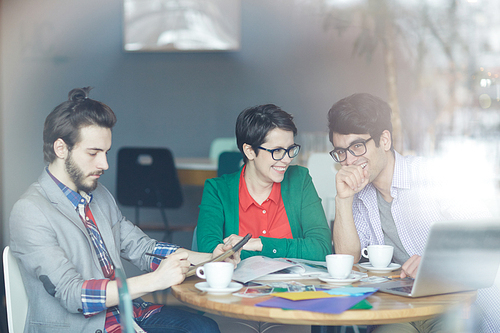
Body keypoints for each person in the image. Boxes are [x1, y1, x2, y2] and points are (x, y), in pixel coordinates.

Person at [9, 87, 240, 333]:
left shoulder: (98, 195)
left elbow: (142, 248)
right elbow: (72, 294)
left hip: (125, 312)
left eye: (106, 152)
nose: (104, 164)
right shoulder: (30, 211)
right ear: (60, 148)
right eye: (93, 153)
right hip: (82, 326)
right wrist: (155, 281)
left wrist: (212, 259)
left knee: (204, 328)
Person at [328, 93, 500, 332]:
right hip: (399, 312)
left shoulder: (431, 175)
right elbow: (347, 261)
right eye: (341, 152)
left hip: (454, 306)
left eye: (357, 146)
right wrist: (343, 198)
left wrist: (436, 265)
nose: (348, 160)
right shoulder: (359, 196)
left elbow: (488, 236)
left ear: (384, 140)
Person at [196, 104, 332, 261]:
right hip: (240, 286)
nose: (287, 159)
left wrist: (259, 244)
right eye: (277, 151)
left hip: (294, 285)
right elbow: (212, 254)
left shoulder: (299, 180)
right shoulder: (217, 190)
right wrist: (292, 249)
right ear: (250, 151)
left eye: (291, 149)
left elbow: (322, 249)